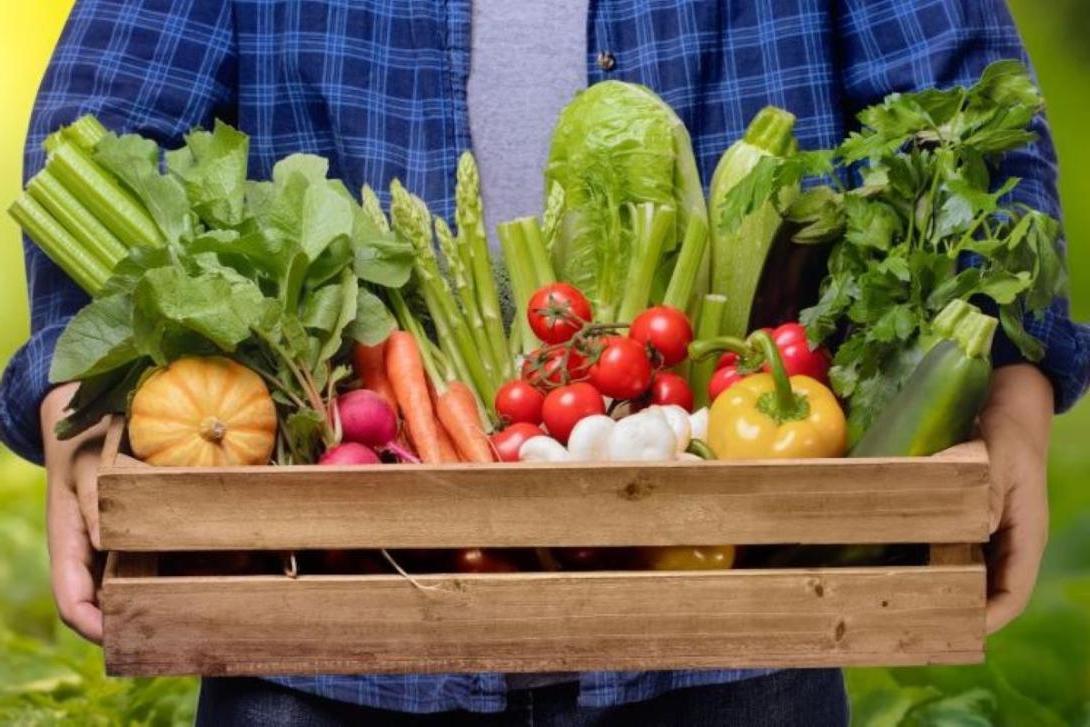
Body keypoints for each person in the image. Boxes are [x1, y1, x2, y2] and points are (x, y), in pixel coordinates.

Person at [3, 1, 1088, 725]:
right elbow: (104, 131)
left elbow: (970, 135)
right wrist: (80, 407)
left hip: (729, 626)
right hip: (326, 633)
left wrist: (1013, 391)